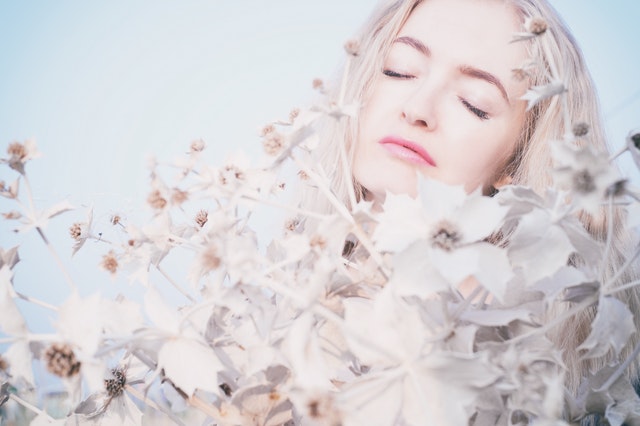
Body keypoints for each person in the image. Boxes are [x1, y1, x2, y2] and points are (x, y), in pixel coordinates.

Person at [297, 0, 640, 408]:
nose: (418, 108)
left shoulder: (541, 380)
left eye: (474, 103)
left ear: (516, 161)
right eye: (399, 69)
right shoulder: (260, 310)